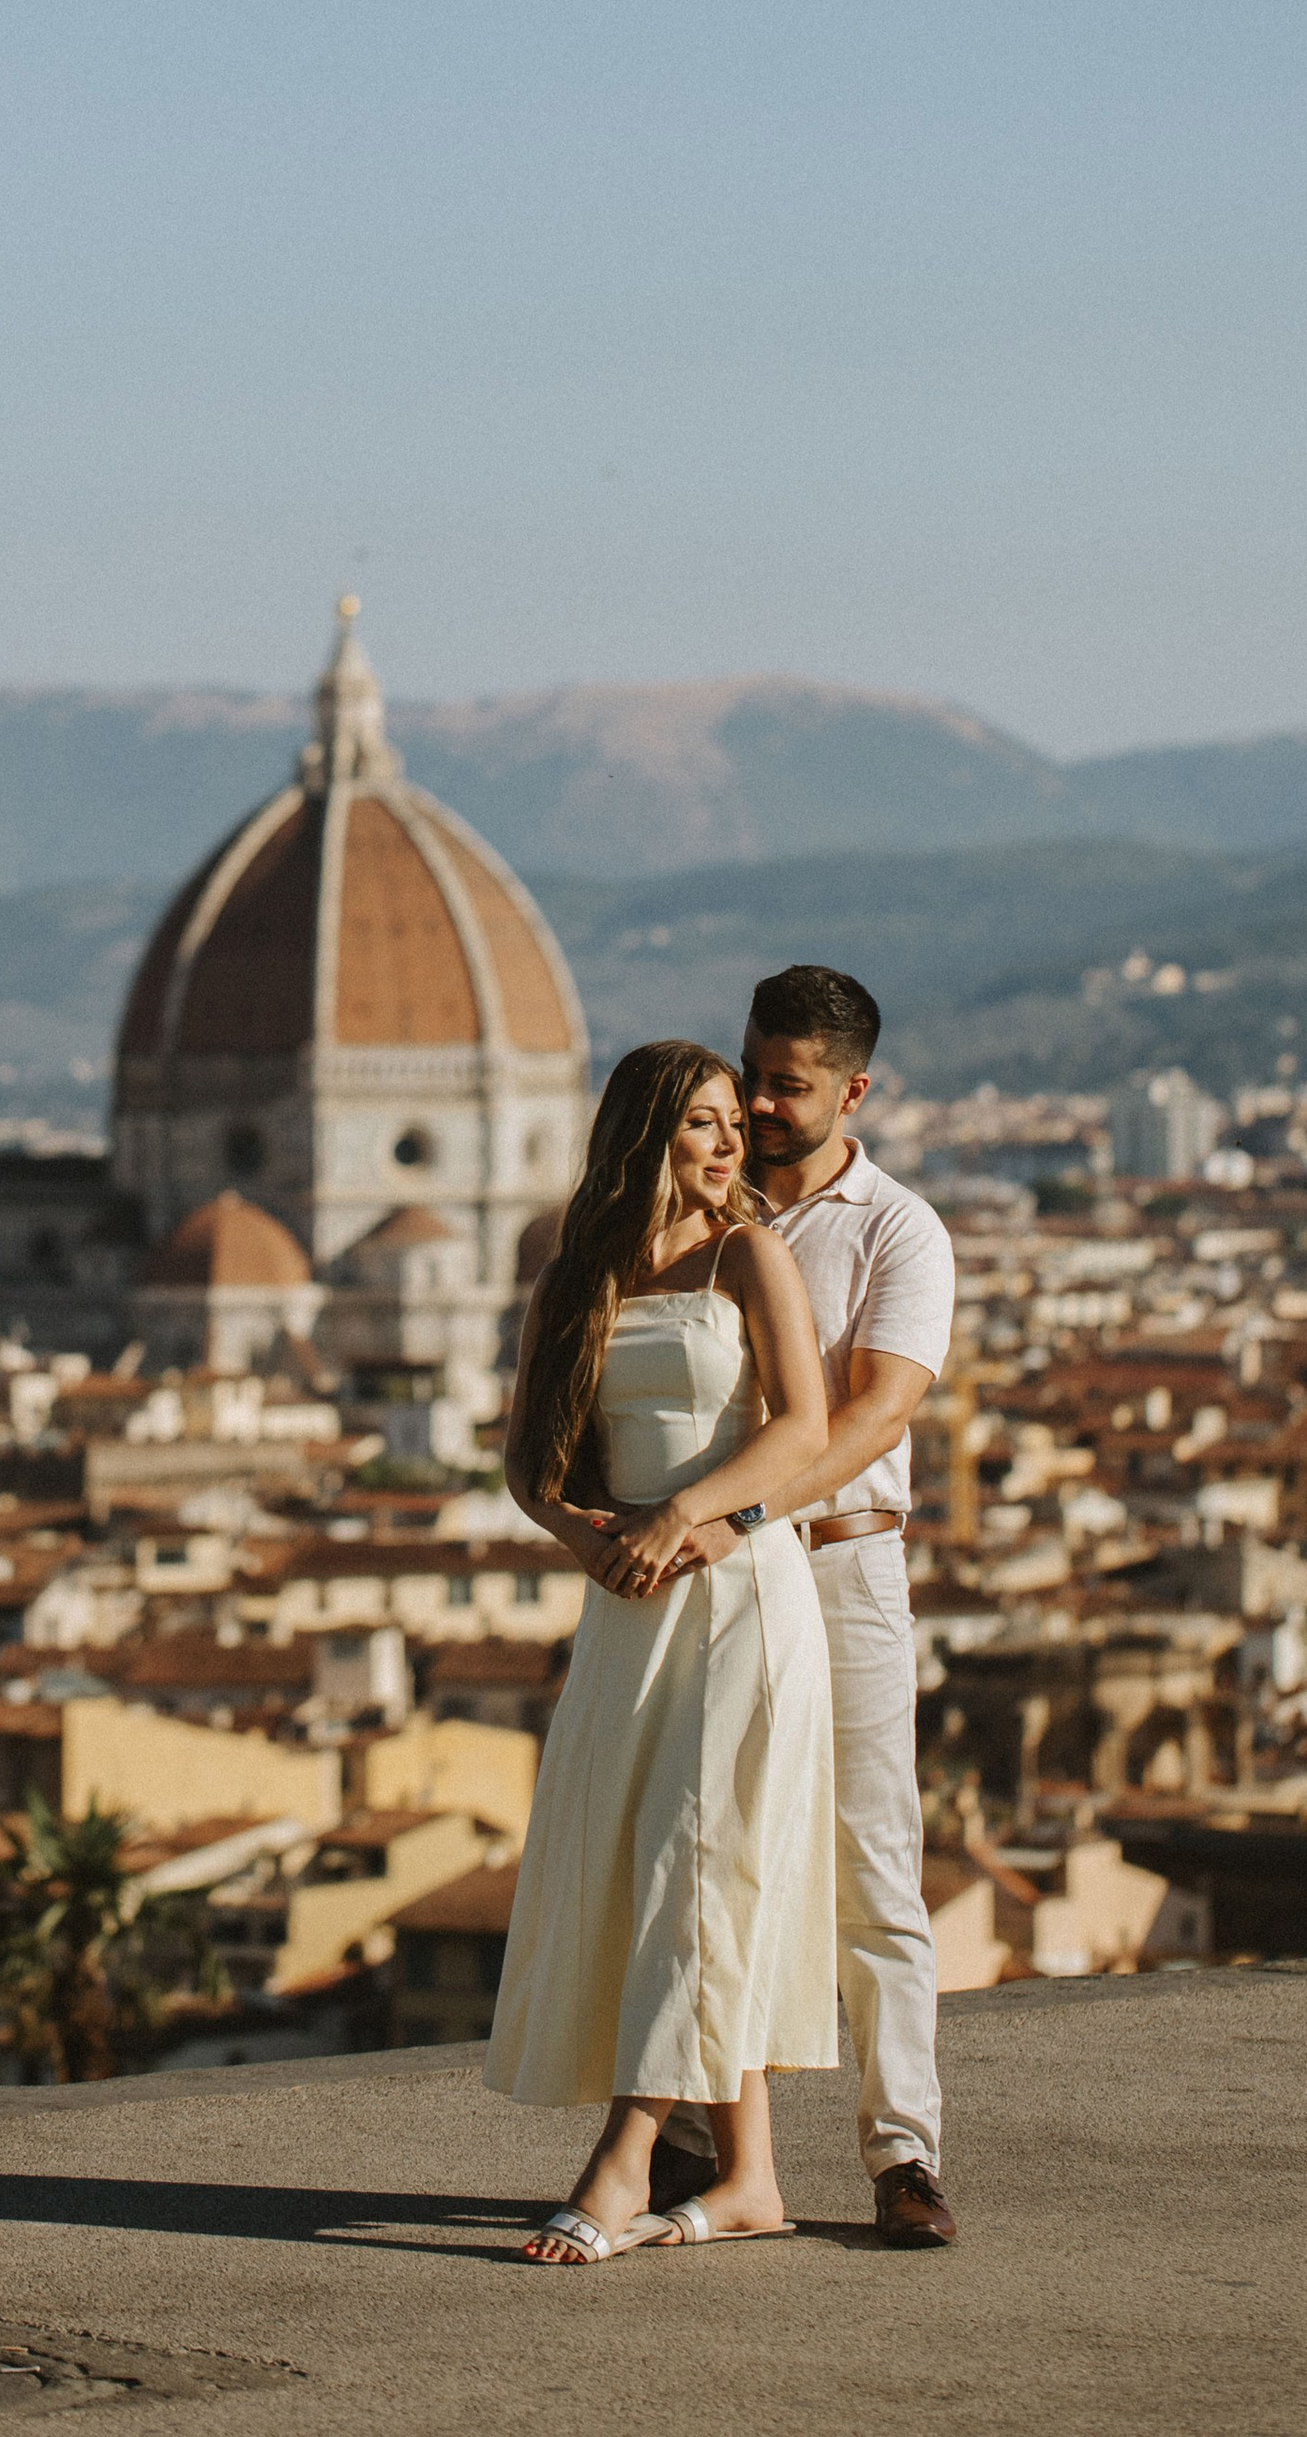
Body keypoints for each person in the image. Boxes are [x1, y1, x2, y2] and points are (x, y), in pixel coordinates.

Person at [486, 1038, 838, 2265]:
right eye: (701, 1122)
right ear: (646, 1135)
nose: (729, 1140)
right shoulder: (571, 1277)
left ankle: (625, 2161)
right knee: (676, 1869)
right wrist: (588, 1539)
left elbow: (804, 1427)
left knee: (701, 1858)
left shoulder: (753, 1254)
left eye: (733, 1121)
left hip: (740, 1592)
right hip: (627, 1603)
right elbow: (528, 1461)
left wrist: (694, 1518)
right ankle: (748, 2179)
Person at [651, 966, 960, 2250]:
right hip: (711, 1570)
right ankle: (687, 2140)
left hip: (837, 1562)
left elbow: (877, 1408)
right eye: (753, 1073)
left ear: (853, 1090)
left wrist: (747, 1513)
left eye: (789, 1085)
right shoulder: (680, 1220)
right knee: (704, 1848)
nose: (761, 1104)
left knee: (871, 1865)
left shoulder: (898, 1229)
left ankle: (904, 2156)